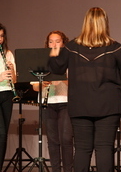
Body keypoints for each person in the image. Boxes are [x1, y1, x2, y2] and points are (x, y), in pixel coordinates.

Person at [48, 7, 121, 172]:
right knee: (104, 149)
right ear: (104, 24)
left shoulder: (72, 47)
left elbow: (56, 68)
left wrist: (54, 52)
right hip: (108, 107)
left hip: (80, 106)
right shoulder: (114, 47)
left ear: (86, 23)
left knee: (82, 149)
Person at [32, 31, 74, 172]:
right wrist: (42, 82)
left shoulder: (69, 59)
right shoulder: (43, 59)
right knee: (52, 141)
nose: (54, 44)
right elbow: (35, 86)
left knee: (66, 139)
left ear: (63, 43)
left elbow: (75, 84)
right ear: (47, 43)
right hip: (47, 102)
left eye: (57, 41)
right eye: (51, 41)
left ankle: (68, 169)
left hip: (65, 101)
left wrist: (61, 75)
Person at [0, 23, 16, 171]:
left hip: (7, 94)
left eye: (1, 36)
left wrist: (12, 71)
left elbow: (15, 80)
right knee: (1, 132)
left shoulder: (8, 53)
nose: (0, 39)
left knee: (4, 135)